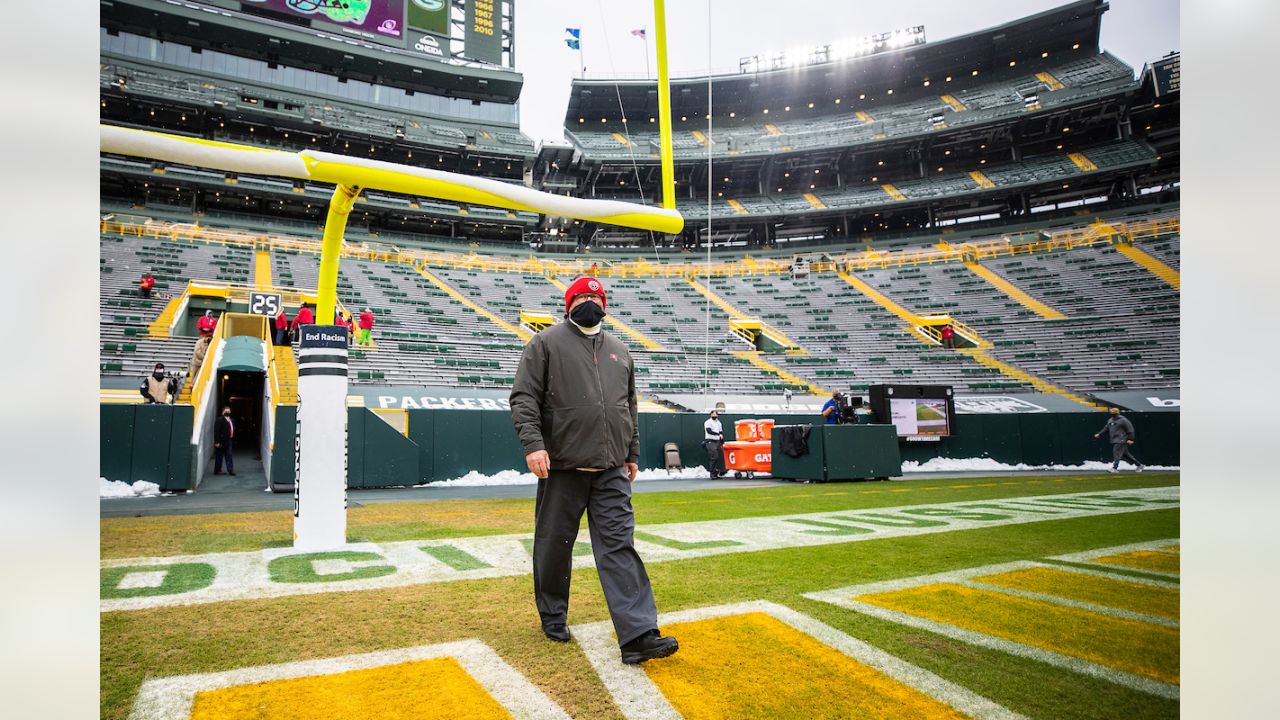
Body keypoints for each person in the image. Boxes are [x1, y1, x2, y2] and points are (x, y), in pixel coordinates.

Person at [510, 275, 679, 665]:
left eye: (594, 296)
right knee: (554, 546)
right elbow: (524, 397)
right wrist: (534, 445)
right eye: (581, 296)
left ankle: (638, 634)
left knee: (620, 547)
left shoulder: (620, 350)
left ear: (605, 304)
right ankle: (553, 616)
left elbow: (629, 407)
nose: (588, 301)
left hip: (611, 470)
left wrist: (631, 452)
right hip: (563, 467)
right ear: (568, 303)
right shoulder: (545, 343)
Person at [1094, 407, 1144, 473]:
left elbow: (1130, 430)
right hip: (1115, 439)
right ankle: (1139, 465)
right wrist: (1099, 434)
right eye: (1112, 414)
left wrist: (1130, 439)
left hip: (1122, 439)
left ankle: (1115, 468)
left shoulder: (1123, 420)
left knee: (1116, 452)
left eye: (1115, 414)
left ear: (1118, 413)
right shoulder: (1110, 420)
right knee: (1125, 455)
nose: (1114, 415)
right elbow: (1106, 428)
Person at [213, 406, 236, 476]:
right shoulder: (219, 419)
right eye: (226, 411)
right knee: (219, 456)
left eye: (229, 411)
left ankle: (230, 470)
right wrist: (217, 442)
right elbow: (216, 431)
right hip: (221, 441)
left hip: (229, 441)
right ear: (223, 412)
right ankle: (217, 470)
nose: (228, 412)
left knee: (229, 455)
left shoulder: (232, 420)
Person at [703, 409, 725, 478]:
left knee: (716, 457)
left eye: (715, 414)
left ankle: (715, 473)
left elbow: (721, 432)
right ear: (711, 415)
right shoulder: (708, 422)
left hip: (717, 441)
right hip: (710, 441)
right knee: (714, 457)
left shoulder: (719, 423)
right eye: (713, 414)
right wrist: (718, 434)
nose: (714, 415)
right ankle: (712, 474)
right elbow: (709, 431)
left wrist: (722, 440)